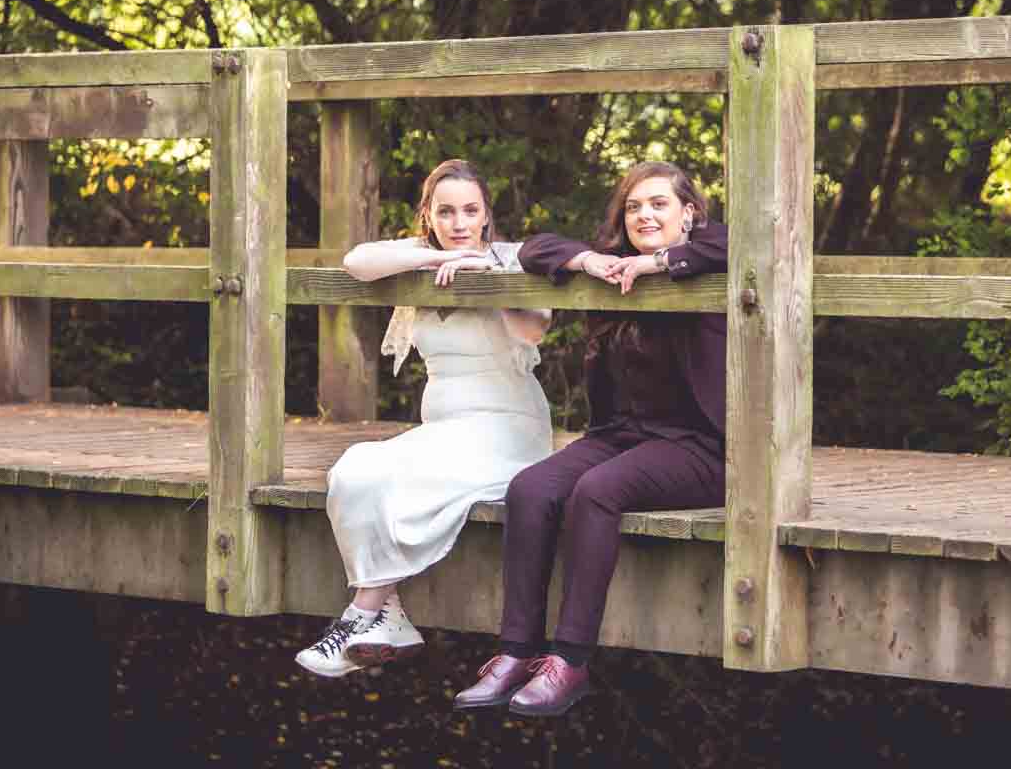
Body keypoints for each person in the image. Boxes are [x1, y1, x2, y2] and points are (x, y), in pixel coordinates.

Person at [454, 161, 728, 716]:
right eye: (633, 207)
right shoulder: (611, 269)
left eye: (658, 204)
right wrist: (589, 261)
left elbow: (732, 246)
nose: (644, 214)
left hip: (701, 447)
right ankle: (516, 652)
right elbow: (535, 249)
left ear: (689, 213)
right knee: (531, 488)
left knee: (597, 491)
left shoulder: (707, 256)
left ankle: (570, 660)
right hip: (623, 434)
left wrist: (654, 264)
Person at [296, 159, 553, 678]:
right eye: (446, 212)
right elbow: (357, 261)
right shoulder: (420, 263)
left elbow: (535, 330)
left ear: (486, 216)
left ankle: (361, 613)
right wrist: (426, 254)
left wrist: (490, 276)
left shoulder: (509, 258)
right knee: (354, 470)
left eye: (470, 211)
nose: (460, 223)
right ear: (429, 216)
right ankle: (387, 615)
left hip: (507, 428)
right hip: (443, 431)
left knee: (412, 483)